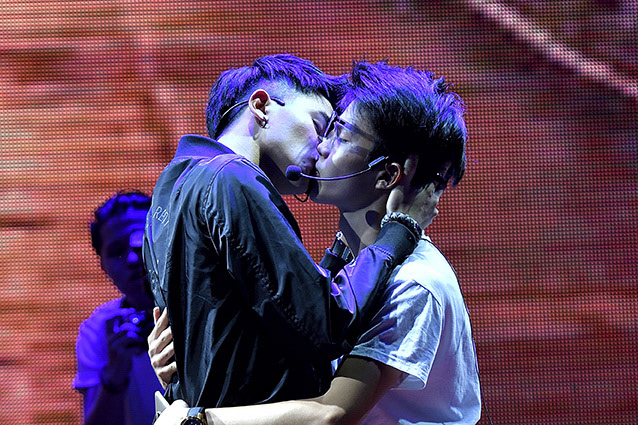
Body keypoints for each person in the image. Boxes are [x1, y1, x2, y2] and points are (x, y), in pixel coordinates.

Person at [151, 61, 481, 424]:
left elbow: (329, 412)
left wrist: (195, 420)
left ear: (387, 174)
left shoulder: (414, 280)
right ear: (260, 108)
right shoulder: (352, 270)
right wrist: (183, 349)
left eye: (338, 134)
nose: (321, 148)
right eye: (322, 128)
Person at [73, 191, 163, 425]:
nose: (133, 259)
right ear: (103, 266)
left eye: (142, 242)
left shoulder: (204, 312)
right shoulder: (98, 329)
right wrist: (115, 372)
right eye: (117, 252)